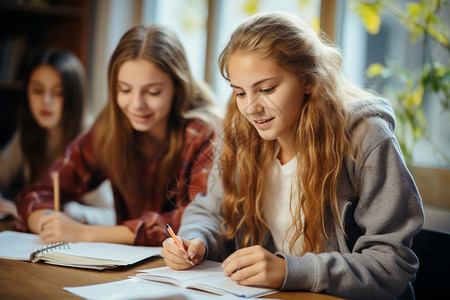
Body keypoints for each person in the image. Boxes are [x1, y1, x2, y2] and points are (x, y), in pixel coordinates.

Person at [161, 12, 424, 300]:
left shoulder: (365, 138)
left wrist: (289, 270)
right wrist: (197, 239)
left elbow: (391, 264)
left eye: (267, 89)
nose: (251, 108)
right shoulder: (242, 133)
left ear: (308, 81)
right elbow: (210, 211)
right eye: (240, 93)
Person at [17, 24, 218, 246]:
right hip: (124, 268)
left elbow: (196, 222)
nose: (136, 104)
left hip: (190, 270)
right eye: (124, 89)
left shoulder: (204, 133)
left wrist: (84, 234)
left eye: (153, 92)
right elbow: (38, 193)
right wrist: (48, 223)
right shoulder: (111, 125)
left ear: (178, 87)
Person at [0, 50, 84, 219]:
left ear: (73, 97)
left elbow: (109, 213)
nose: (46, 101)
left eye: (58, 93)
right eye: (37, 90)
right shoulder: (29, 132)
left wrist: (64, 211)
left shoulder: (87, 141)